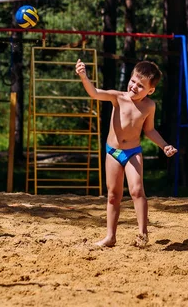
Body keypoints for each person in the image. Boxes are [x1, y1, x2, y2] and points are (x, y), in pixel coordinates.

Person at [75, 59, 177, 247]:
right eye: (133, 81)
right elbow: (95, 93)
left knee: (137, 191)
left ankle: (142, 234)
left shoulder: (149, 106)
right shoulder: (117, 97)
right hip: (112, 152)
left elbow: (150, 130)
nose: (134, 87)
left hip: (133, 152)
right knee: (113, 195)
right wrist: (83, 76)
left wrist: (164, 146)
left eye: (141, 85)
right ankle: (110, 236)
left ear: (150, 90)